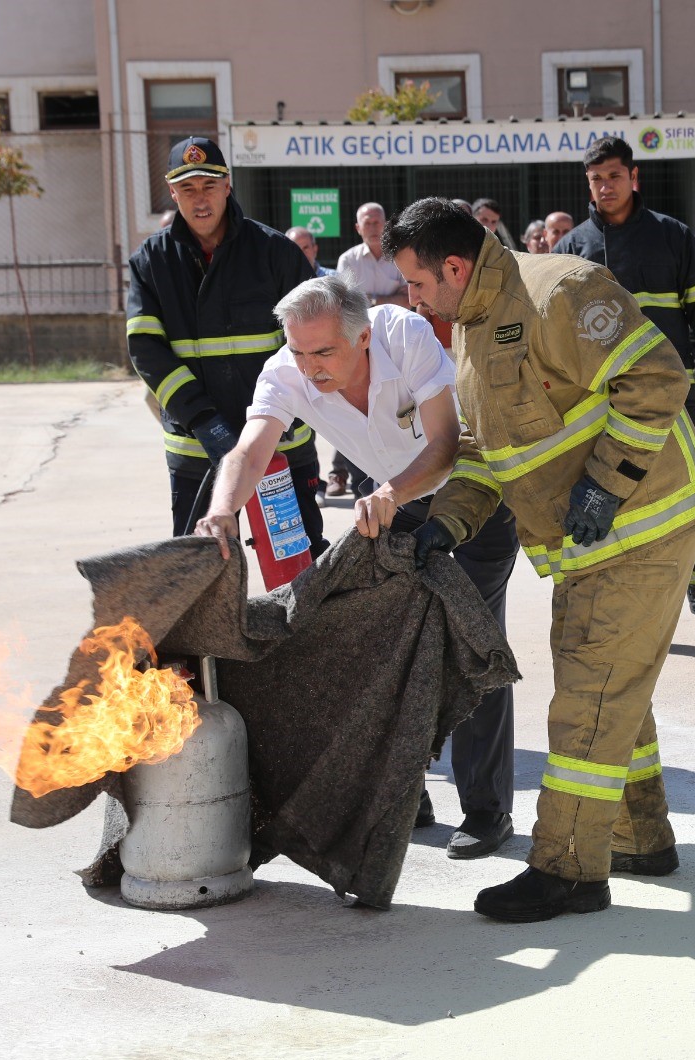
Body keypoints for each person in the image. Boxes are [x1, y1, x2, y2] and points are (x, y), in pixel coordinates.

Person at [386, 197, 695, 922]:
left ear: (452, 266)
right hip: (591, 545)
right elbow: (486, 453)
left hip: (641, 525)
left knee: (587, 698)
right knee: (609, 688)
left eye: (415, 284)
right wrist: (444, 524)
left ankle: (569, 868)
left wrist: (605, 486)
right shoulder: (473, 329)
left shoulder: (559, 292)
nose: (410, 301)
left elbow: (657, 380)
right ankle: (640, 836)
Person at [192, 275, 522, 852]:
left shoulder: (407, 335)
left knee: (471, 642)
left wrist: (393, 492)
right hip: (391, 505)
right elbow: (249, 450)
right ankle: (403, 793)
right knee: (383, 644)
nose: (309, 365)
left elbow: (445, 445)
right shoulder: (286, 371)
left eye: (323, 351)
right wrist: (223, 510)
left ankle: (487, 810)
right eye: (297, 350)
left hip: (470, 499)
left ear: (363, 337)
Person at [557, 137, 695, 650]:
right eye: (597, 178)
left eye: (614, 176)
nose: (605, 186)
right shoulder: (572, 248)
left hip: (673, 396)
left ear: (633, 177)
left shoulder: (673, 236)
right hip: (599, 404)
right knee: (608, 508)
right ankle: (620, 619)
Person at [125, 136, 324, 548]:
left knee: (300, 564)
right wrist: (204, 422)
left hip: (278, 441)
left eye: (209, 186)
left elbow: (315, 333)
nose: (200, 200)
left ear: (227, 186)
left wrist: (283, 412)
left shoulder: (276, 252)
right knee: (201, 568)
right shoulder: (151, 261)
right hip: (197, 448)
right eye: (188, 189)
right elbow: (146, 349)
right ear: (172, 191)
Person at [332, 203, 408, 497]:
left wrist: (370, 298)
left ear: (386, 224)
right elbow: (346, 306)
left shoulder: (399, 254)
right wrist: (389, 298)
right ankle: (347, 474)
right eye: (368, 222)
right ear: (358, 228)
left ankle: (398, 470)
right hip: (358, 345)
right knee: (353, 407)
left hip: (397, 342)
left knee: (394, 405)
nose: (374, 227)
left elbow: (409, 299)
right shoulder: (347, 260)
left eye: (378, 221)